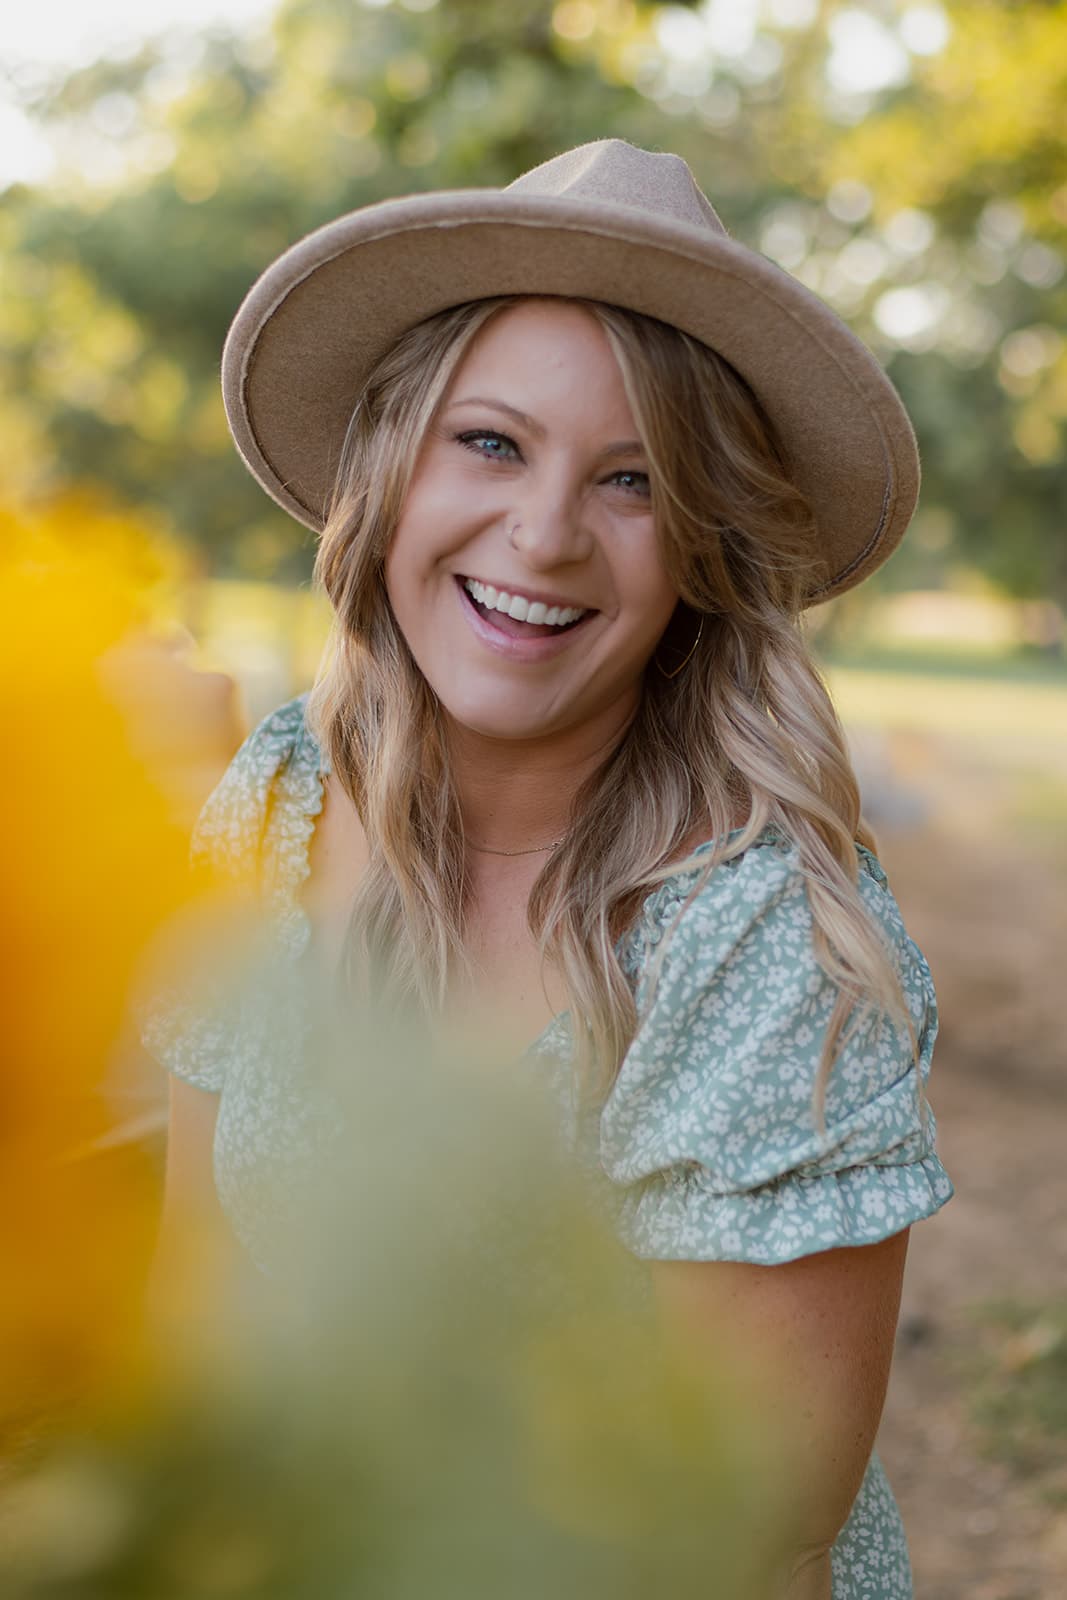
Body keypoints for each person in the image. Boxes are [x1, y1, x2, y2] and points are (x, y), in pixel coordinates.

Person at [143, 139, 954, 1599]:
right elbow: (200, 1318)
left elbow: (751, 1549)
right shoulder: (277, 798)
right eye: (493, 442)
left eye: (632, 479)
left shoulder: (764, 949)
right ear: (393, 468)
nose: (545, 534)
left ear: (701, 548)